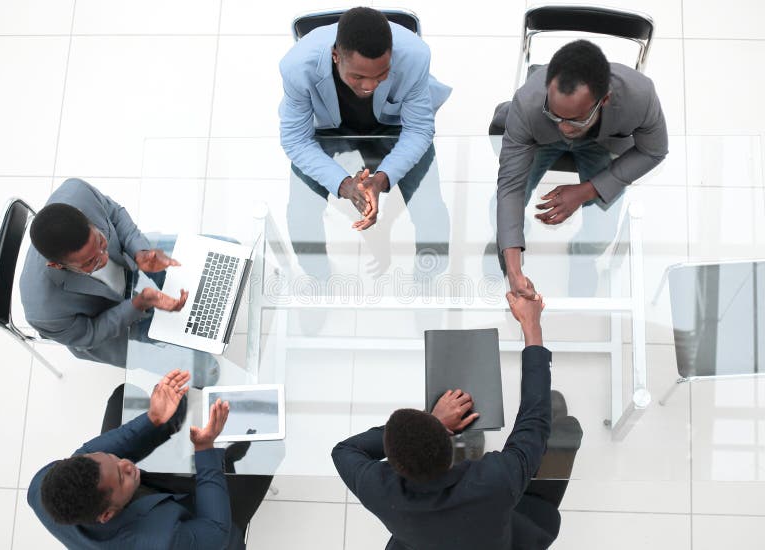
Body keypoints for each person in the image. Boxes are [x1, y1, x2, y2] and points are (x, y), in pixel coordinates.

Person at [332, 292, 574, 549]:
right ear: (446, 441)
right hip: (503, 535)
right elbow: (534, 424)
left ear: (394, 464)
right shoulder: (495, 480)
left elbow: (344, 451)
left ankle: (468, 445)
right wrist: (531, 325)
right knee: (567, 431)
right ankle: (475, 444)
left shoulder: (380, 490)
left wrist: (434, 423)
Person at [279, 7, 451, 282]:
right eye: (358, 77)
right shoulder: (297, 67)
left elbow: (418, 129)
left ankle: (426, 278)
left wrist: (381, 180)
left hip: (394, 126)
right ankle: (319, 277)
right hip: (328, 130)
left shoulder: (416, 56)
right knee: (300, 215)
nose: (369, 85)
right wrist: (344, 184)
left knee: (432, 212)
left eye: (381, 74)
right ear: (336, 57)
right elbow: (295, 140)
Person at [493, 39, 668, 298]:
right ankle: (507, 247)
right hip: (539, 140)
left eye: (575, 119)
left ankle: (582, 257)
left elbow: (654, 150)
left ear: (604, 99)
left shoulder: (639, 95)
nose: (564, 127)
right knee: (500, 207)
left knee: (602, 231)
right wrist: (514, 270)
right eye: (555, 115)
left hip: (601, 144)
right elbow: (510, 187)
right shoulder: (528, 103)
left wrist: (587, 191)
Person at [28, 369, 269, 549]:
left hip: (140, 499)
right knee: (267, 449)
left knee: (123, 397)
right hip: (206, 535)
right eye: (121, 476)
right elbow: (216, 532)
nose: (127, 464)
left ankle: (174, 416)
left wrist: (155, 417)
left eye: (112, 459)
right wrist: (205, 448)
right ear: (107, 515)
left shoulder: (42, 485)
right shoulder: (159, 540)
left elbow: (112, 449)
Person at [19, 178, 187, 367]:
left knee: (204, 259)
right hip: (106, 319)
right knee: (190, 364)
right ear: (57, 266)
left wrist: (140, 252)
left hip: (128, 260)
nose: (104, 258)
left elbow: (115, 215)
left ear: (85, 216)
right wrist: (139, 304)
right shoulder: (44, 312)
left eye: (100, 241)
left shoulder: (78, 193)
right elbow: (92, 333)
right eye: (91, 262)